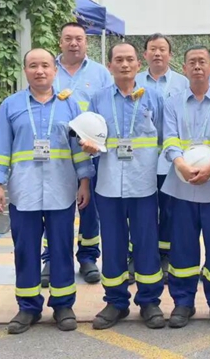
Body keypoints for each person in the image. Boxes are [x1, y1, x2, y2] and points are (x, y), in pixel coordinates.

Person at [0, 48, 94, 334]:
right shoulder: (11, 105)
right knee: (25, 250)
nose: (40, 71)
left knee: (61, 248)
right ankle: (28, 307)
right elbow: (1, 148)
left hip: (61, 188)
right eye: (33, 65)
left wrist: (85, 181)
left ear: (55, 70)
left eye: (45, 65)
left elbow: (79, 148)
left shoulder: (70, 105)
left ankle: (63, 305)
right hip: (24, 191)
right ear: (25, 71)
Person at [81, 42, 166, 330]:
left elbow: (164, 139)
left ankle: (149, 301)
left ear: (139, 64)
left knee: (146, 244)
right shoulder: (98, 100)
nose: (125, 64)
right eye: (119, 60)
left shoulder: (153, 98)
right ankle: (115, 302)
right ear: (109, 66)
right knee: (113, 244)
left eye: (130, 59)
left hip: (144, 184)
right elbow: (88, 137)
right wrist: (88, 146)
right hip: (108, 184)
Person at [161, 45, 210, 329]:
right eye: (191, 62)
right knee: (182, 247)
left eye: (202, 62)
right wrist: (180, 164)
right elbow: (169, 138)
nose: (197, 66)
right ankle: (183, 302)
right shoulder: (172, 103)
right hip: (181, 187)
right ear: (184, 68)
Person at [41, 23, 113, 287]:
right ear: (60, 42)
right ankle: (52, 258)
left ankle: (88, 257)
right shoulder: (48, 68)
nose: (74, 43)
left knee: (89, 208)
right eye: (68, 38)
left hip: (89, 151)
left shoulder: (100, 73)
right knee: (55, 207)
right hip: (56, 152)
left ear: (86, 42)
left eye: (79, 39)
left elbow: (107, 110)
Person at [136, 33, 189, 281]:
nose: (157, 53)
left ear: (170, 54)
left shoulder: (182, 83)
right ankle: (140, 255)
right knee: (142, 211)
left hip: (171, 160)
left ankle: (166, 255)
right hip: (139, 161)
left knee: (169, 209)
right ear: (145, 54)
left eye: (162, 49)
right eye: (153, 49)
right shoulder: (134, 81)